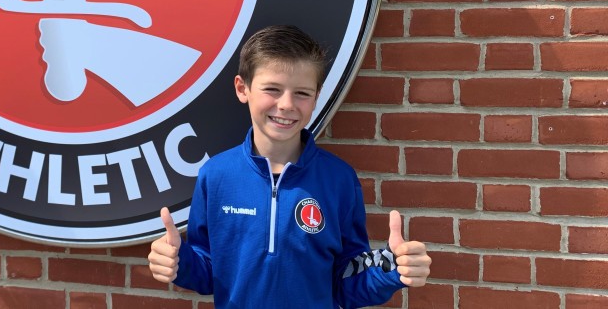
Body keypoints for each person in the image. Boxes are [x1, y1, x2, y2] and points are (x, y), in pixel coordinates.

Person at [148, 25, 431, 308]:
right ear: (242, 88)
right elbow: (208, 270)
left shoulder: (339, 179)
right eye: (272, 89)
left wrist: (391, 271)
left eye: (302, 93)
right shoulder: (216, 175)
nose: (286, 104)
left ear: (317, 96)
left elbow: (346, 279)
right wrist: (179, 260)